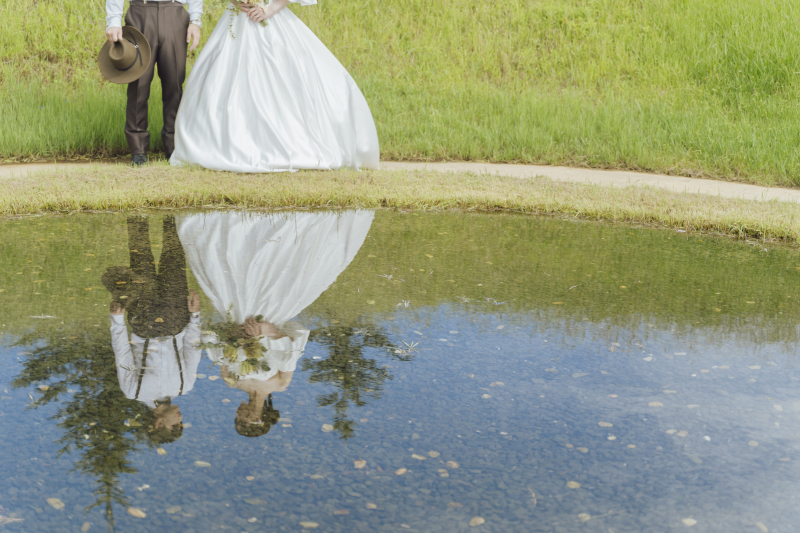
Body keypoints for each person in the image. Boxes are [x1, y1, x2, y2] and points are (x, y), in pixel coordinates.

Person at [176, 209, 374, 435]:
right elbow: (291, 348)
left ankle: (242, 229)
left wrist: (237, 333)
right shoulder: (280, 384)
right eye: (241, 419)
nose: (237, 414)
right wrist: (267, 330)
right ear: (256, 417)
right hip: (270, 320)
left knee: (236, 274)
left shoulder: (230, 380)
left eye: (237, 419)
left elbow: (220, 346)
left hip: (239, 318)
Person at [170, 0, 379, 172]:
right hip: (235, 22)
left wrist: (269, 9)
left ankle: (284, 145)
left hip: (272, 21)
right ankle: (223, 144)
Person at [103, 216, 202, 444]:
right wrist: (195, 316)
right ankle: (171, 213)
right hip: (177, 319)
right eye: (180, 422)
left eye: (175, 423)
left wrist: (117, 321)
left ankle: (137, 211)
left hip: (143, 323)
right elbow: (193, 349)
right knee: (174, 258)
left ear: (158, 423)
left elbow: (123, 355)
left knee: (141, 261)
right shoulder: (184, 386)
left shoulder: (134, 392)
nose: (180, 417)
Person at [105, 0, 204, 166]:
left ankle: (173, 147)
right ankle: (138, 150)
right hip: (140, 12)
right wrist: (113, 20)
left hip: (175, 13)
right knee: (138, 84)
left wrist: (195, 20)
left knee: (174, 82)